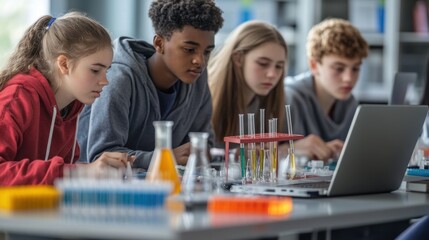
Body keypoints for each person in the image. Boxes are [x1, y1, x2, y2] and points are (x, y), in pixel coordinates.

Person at [77, 0, 224, 168]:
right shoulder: (118, 78)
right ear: (159, 44)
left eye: (207, 51)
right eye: (189, 50)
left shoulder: (197, 77)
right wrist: (166, 157)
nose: (200, 61)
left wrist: (201, 151)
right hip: (100, 188)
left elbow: (204, 144)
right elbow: (101, 156)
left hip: (162, 185)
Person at [0, 12, 133, 186]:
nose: (105, 81)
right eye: (95, 70)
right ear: (64, 64)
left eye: (106, 71)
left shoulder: (71, 107)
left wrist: (97, 170)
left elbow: (59, 174)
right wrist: (81, 172)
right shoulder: (17, 98)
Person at [285, 18, 369, 161]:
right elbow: (247, 155)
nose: (349, 78)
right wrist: (291, 149)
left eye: (355, 68)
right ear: (314, 65)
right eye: (338, 68)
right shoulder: (289, 97)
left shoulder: (350, 104)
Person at [208, 20, 286, 149]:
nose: (272, 74)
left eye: (279, 66)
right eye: (263, 63)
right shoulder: (205, 101)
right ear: (238, 58)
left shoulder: (270, 104)